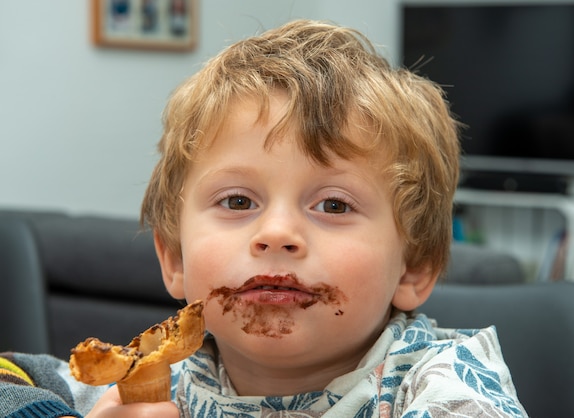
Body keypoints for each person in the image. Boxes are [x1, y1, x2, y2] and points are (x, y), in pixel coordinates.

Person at [0, 19, 528, 417]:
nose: (276, 234)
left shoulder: (446, 385)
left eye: (334, 205)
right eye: (237, 202)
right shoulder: (149, 383)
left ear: (413, 268)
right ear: (175, 258)